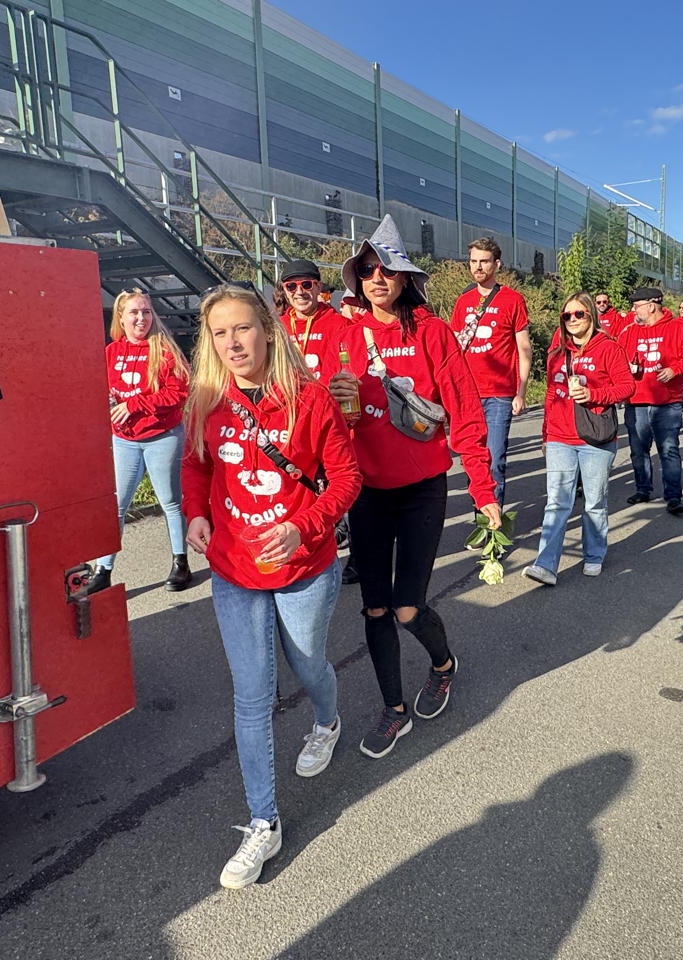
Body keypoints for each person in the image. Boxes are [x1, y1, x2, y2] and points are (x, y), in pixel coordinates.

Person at [181, 284, 360, 889]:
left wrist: (301, 525)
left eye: (242, 329)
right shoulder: (208, 398)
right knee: (252, 694)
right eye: (219, 333)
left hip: (304, 564)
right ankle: (264, 822)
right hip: (234, 568)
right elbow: (197, 463)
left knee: (308, 666)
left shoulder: (309, 401)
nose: (232, 343)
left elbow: (345, 480)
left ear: (267, 330)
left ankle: (328, 722)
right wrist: (195, 513)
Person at [327, 215, 500, 759]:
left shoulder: (432, 333)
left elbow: (467, 416)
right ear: (359, 279)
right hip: (369, 494)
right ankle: (393, 710)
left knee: (408, 609)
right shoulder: (347, 338)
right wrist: (339, 408)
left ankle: (444, 666)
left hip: (424, 489)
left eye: (388, 270)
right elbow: (332, 425)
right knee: (374, 611)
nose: (378, 279)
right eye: (368, 271)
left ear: (404, 279)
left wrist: (485, 492)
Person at [522, 293, 634, 586]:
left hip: (596, 437)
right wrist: (545, 434)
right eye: (567, 315)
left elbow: (627, 386)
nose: (572, 319)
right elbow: (549, 393)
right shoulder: (557, 351)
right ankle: (545, 565)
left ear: (591, 316)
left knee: (594, 502)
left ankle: (595, 554)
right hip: (560, 436)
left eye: (579, 314)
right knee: (557, 502)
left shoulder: (608, 347)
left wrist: (594, 395)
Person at [87, 290, 192, 595]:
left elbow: (178, 392)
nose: (140, 319)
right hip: (124, 440)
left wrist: (135, 404)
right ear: (121, 317)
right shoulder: (111, 352)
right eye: (133, 313)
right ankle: (103, 569)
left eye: (146, 312)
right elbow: (98, 389)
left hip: (162, 436)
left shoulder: (165, 349)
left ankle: (180, 562)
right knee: (116, 505)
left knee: (171, 502)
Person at [277, 258, 359, 585]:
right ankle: (307, 545)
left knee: (343, 486)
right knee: (304, 489)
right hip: (290, 425)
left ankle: (359, 553)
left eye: (306, 285)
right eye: (291, 286)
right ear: (284, 290)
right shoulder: (277, 327)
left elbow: (349, 369)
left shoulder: (337, 324)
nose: (299, 292)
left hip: (330, 421)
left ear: (318, 287)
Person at [448, 237, 532, 507]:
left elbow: (524, 348)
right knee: (473, 462)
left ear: (497, 264)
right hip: (467, 395)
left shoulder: (512, 299)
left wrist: (521, 391)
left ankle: (492, 525)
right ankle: (481, 518)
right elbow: (454, 347)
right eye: (473, 261)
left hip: (499, 395)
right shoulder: (463, 301)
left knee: (495, 461)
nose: (478, 267)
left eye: (484, 261)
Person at [618, 286, 683, 514]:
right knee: (638, 450)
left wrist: (675, 369)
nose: (633, 310)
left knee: (668, 449)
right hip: (635, 401)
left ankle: (673, 497)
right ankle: (643, 489)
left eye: (637, 306)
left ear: (651, 306)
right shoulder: (629, 332)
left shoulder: (678, 329)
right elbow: (616, 359)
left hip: (667, 402)